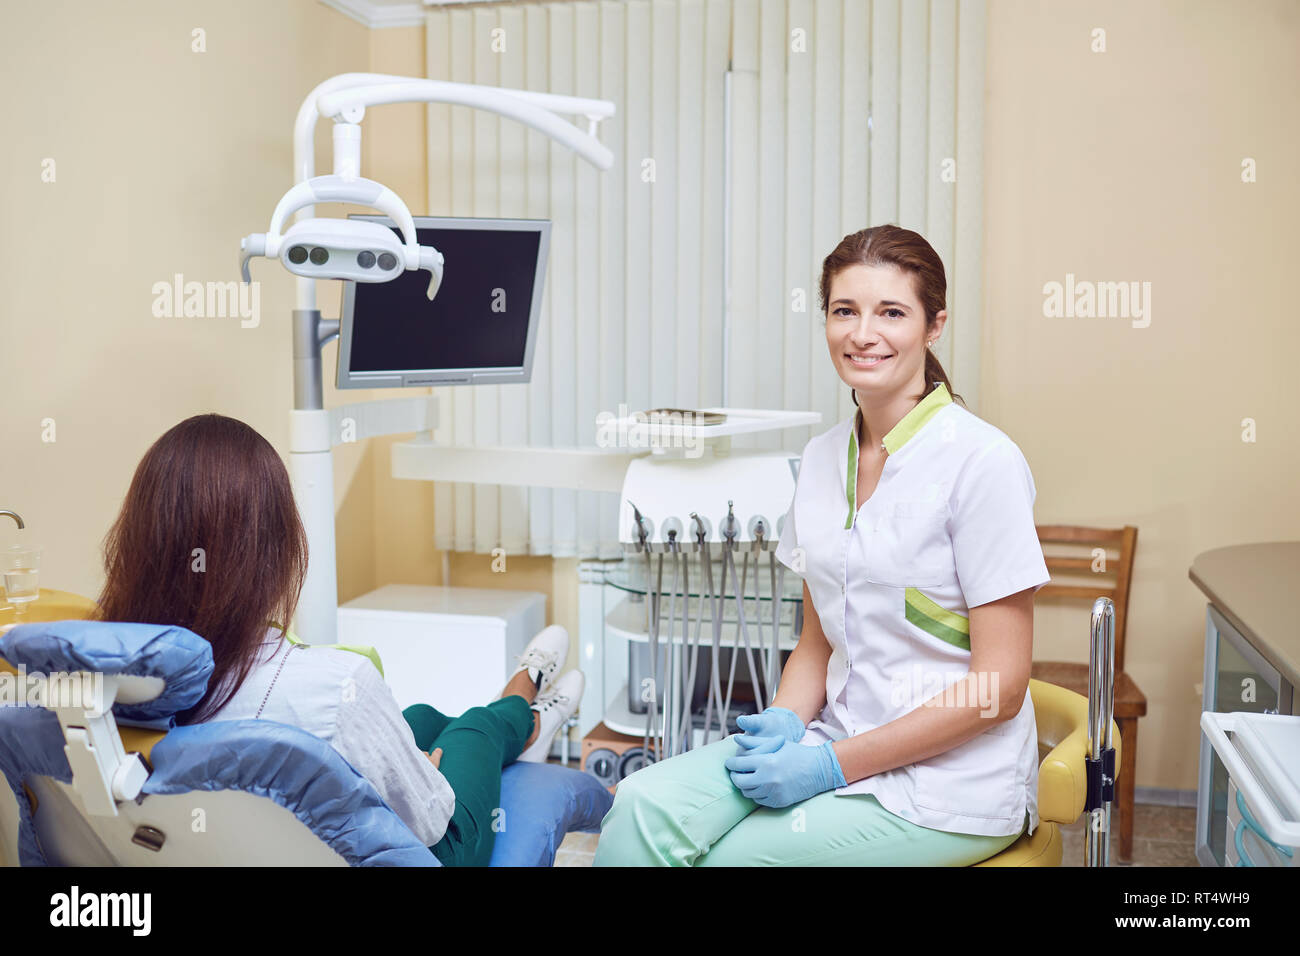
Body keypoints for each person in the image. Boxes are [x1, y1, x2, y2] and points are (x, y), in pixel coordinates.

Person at [594, 225, 1052, 866]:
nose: (863, 333)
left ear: (934, 325)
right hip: (830, 737)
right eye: (844, 311)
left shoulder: (982, 462)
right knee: (640, 805)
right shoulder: (820, 459)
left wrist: (830, 767)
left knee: (726, 859)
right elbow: (817, 642)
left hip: (950, 787)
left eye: (891, 312)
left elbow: (998, 688)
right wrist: (786, 721)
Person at [93, 413, 583, 866]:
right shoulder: (334, 686)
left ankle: (520, 722)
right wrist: (428, 777)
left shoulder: (108, 683)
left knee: (421, 718)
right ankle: (528, 705)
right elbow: (432, 821)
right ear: (273, 549)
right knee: (474, 728)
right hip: (434, 854)